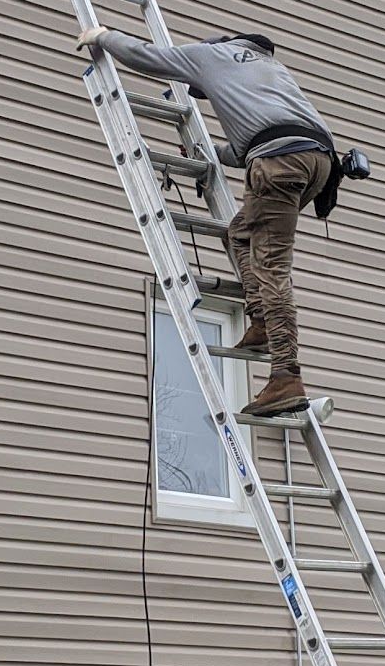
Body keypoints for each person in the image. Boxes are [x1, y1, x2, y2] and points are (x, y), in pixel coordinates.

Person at [77, 23, 335, 420]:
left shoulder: (209, 54)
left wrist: (104, 37)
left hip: (278, 162)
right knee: (240, 234)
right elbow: (264, 133)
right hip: (316, 162)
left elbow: (148, 56)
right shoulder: (268, 66)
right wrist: (214, 152)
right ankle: (263, 320)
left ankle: (286, 375)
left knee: (271, 265)